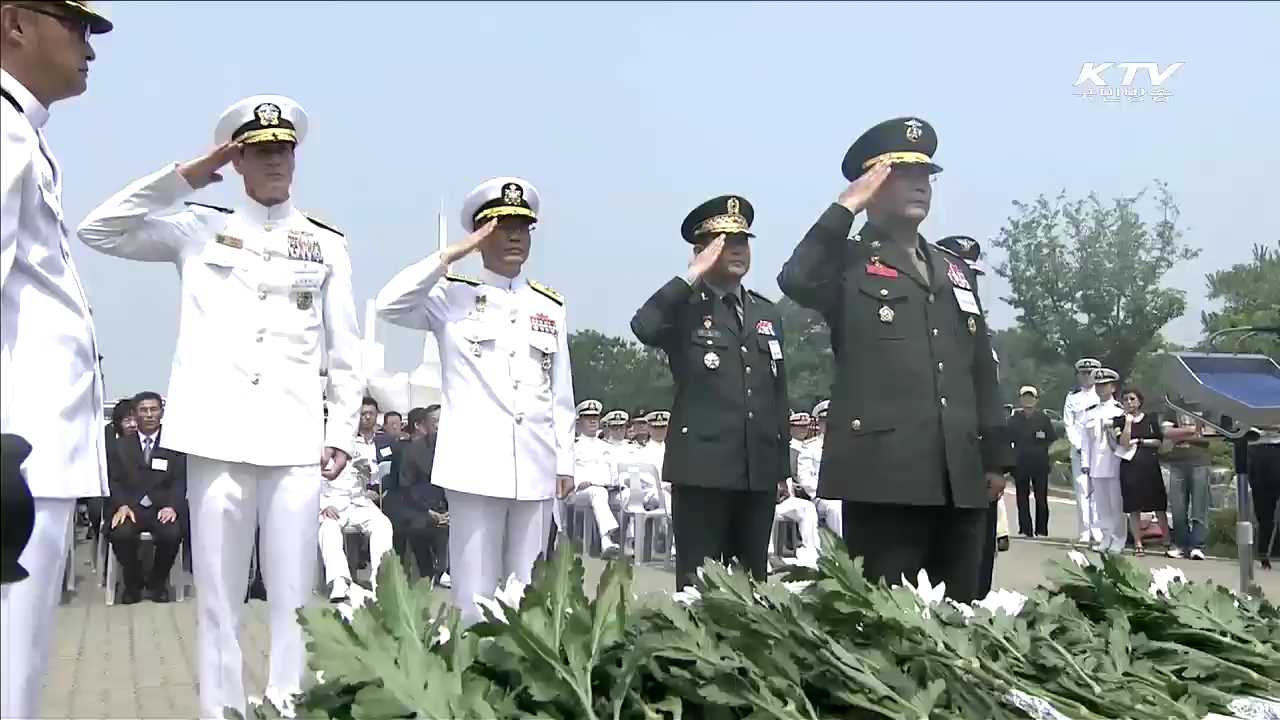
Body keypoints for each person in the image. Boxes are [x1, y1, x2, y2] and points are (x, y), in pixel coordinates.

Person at [76, 95, 363, 717]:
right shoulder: (197, 225)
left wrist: (341, 429)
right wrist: (186, 176)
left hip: (292, 440)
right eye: (260, 151)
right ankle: (222, 711)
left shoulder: (326, 244)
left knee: (295, 599)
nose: (275, 161)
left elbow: (346, 350)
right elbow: (100, 229)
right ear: (236, 160)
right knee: (217, 602)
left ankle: (288, 706)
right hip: (216, 438)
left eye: (284, 150)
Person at [778, 117, 1012, 603]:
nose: (919, 185)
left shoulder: (953, 270)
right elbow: (796, 278)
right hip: (884, 474)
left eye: (925, 175)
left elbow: (979, 369)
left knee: (961, 614)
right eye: (901, 174)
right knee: (887, 614)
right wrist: (845, 206)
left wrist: (995, 456)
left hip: (960, 474)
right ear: (872, 186)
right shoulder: (848, 260)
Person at [375, 176, 574, 626]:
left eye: (522, 228)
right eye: (501, 228)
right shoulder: (451, 295)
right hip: (476, 467)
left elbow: (560, 391)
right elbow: (389, 304)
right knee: (474, 597)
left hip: (536, 466)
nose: (514, 237)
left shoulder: (549, 306)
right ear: (480, 235)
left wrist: (565, 460)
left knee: (529, 594)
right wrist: (449, 256)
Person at [1, 3, 113, 716]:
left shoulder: (23, 133)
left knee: (24, 666)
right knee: (9, 673)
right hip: (17, 457)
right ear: (15, 23)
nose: (90, 49)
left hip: (34, 455)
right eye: (76, 26)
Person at [631, 194, 790, 589]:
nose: (737, 249)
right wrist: (692, 275)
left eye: (743, 241)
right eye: (724, 242)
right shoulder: (684, 307)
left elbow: (777, 393)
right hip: (703, 470)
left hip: (757, 469)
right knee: (700, 583)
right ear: (701, 251)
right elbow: (644, 326)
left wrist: (781, 468)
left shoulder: (766, 312)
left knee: (752, 584)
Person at [106, 391, 186, 604]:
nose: (149, 414)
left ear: (161, 412)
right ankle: (133, 583)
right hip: (131, 508)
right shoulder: (120, 446)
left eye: (154, 409)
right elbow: (114, 480)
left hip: (162, 508)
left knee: (172, 534)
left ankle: (157, 583)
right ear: (135, 414)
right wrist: (121, 505)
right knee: (120, 534)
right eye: (143, 410)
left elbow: (180, 480)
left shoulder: (174, 445)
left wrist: (172, 506)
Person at [318, 396, 395, 602]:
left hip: (359, 501)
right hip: (333, 501)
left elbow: (373, 477)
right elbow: (315, 479)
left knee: (383, 525)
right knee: (329, 528)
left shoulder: (370, 443)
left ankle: (381, 583)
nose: (365, 417)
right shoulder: (326, 444)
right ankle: (339, 581)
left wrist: (371, 477)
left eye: (370, 413)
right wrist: (323, 505)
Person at [385, 406, 449, 585]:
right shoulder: (412, 451)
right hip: (418, 506)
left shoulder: (457, 450)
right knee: (417, 524)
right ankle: (428, 573)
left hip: (450, 506)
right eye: (435, 421)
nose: (439, 425)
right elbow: (407, 488)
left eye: (443, 421)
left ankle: (447, 570)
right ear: (425, 425)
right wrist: (429, 511)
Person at [1115, 387, 1169, 555]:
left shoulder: (1150, 419)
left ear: (1139, 401)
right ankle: (1138, 542)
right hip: (1130, 466)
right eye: (1125, 399)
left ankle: (1167, 540)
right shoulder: (1119, 420)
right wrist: (1128, 423)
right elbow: (1123, 443)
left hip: (1149, 465)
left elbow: (1158, 441)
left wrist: (1140, 441)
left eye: (1132, 399)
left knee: (1158, 504)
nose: (1129, 402)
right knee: (1134, 506)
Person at [566, 404, 623, 558]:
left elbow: (616, 472)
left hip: (607, 490)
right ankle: (606, 540)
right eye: (588, 417)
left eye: (595, 417)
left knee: (628, 496)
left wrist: (616, 483)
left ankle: (631, 543)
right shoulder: (573, 446)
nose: (592, 421)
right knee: (597, 492)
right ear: (579, 422)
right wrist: (579, 482)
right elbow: (568, 472)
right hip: (579, 492)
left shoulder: (607, 447)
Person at [1082, 369, 1125, 554]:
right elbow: (1086, 441)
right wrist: (1085, 463)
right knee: (1101, 506)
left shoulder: (1119, 411)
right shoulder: (1090, 412)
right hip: (1096, 464)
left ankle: (1119, 539)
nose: (1100, 389)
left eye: (1104, 385)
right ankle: (1106, 537)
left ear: (1113, 387)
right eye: (1098, 385)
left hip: (1114, 462)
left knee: (1117, 504)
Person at [1161, 411, 1213, 560]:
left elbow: (1209, 433)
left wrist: (1180, 434)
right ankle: (1181, 545)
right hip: (1177, 463)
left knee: (1199, 506)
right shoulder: (1173, 406)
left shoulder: (1206, 407)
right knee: (1177, 507)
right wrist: (1193, 431)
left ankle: (1197, 546)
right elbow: (1167, 432)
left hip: (1200, 462)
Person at [1007, 386, 1057, 537]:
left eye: (1031, 397)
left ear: (1036, 400)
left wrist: (1048, 456)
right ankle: (1025, 529)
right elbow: (1008, 441)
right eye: (1025, 397)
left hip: (1039, 464)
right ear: (1020, 400)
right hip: (1020, 463)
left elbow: (1052, 439)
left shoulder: (1043, 419)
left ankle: (1041, 529)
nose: (1028, 400)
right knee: (1022, 498)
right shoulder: (1013, 420)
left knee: (1041, 498)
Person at [1064, 358, 1103, 544]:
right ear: (1078, 375)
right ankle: (1085, 530)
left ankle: (1098, 529)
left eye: (1090, 373)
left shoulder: (1102, 395)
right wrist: (1079, 445)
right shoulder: (1072, 397)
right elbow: (1069, 424)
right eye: (1084, 373)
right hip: (1079, 450)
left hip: (1099, 450)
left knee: (1098, 491)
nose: (1087, 377)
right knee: (1082, 490)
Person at [796, 400, 842, 536]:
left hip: (845, 494)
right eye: (824, 421)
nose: (828, 425)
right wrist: (825, 492)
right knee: (836, 509)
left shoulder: (845, 446)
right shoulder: (810, 448)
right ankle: (842, 546)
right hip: (822, 496)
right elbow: (805, 478)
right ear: (819, 423)